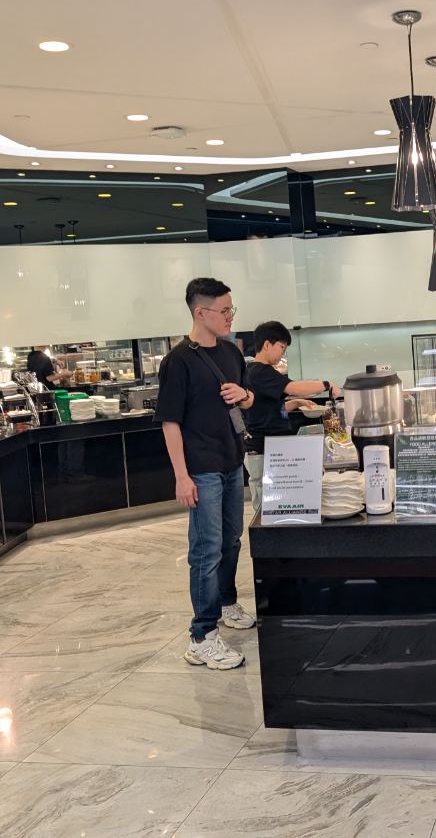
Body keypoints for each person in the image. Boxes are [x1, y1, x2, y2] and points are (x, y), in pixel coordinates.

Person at [155, 277, 256, 670]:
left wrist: (244, 396)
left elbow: (247, 398)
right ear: (201, 312)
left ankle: (227, 602)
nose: (230, 317)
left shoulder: (231, 353)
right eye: (224, 311)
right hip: (201, 469)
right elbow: (170, 423)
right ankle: (202, 636)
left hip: (231, 461)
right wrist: (181, 476)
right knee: (206, 549)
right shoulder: (178, 361)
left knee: (231, 540)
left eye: (232, 309)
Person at [244, 321, 340, 520]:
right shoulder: (260, 371)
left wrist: (294, 403)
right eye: (281, 347)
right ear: (267, 344)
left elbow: (265, 409)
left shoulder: (258, 371)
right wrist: (326, 384)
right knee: (266, 509)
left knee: (274, 505)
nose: (282, 354)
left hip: (269, 447)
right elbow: (294, 387)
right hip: (262, 450)